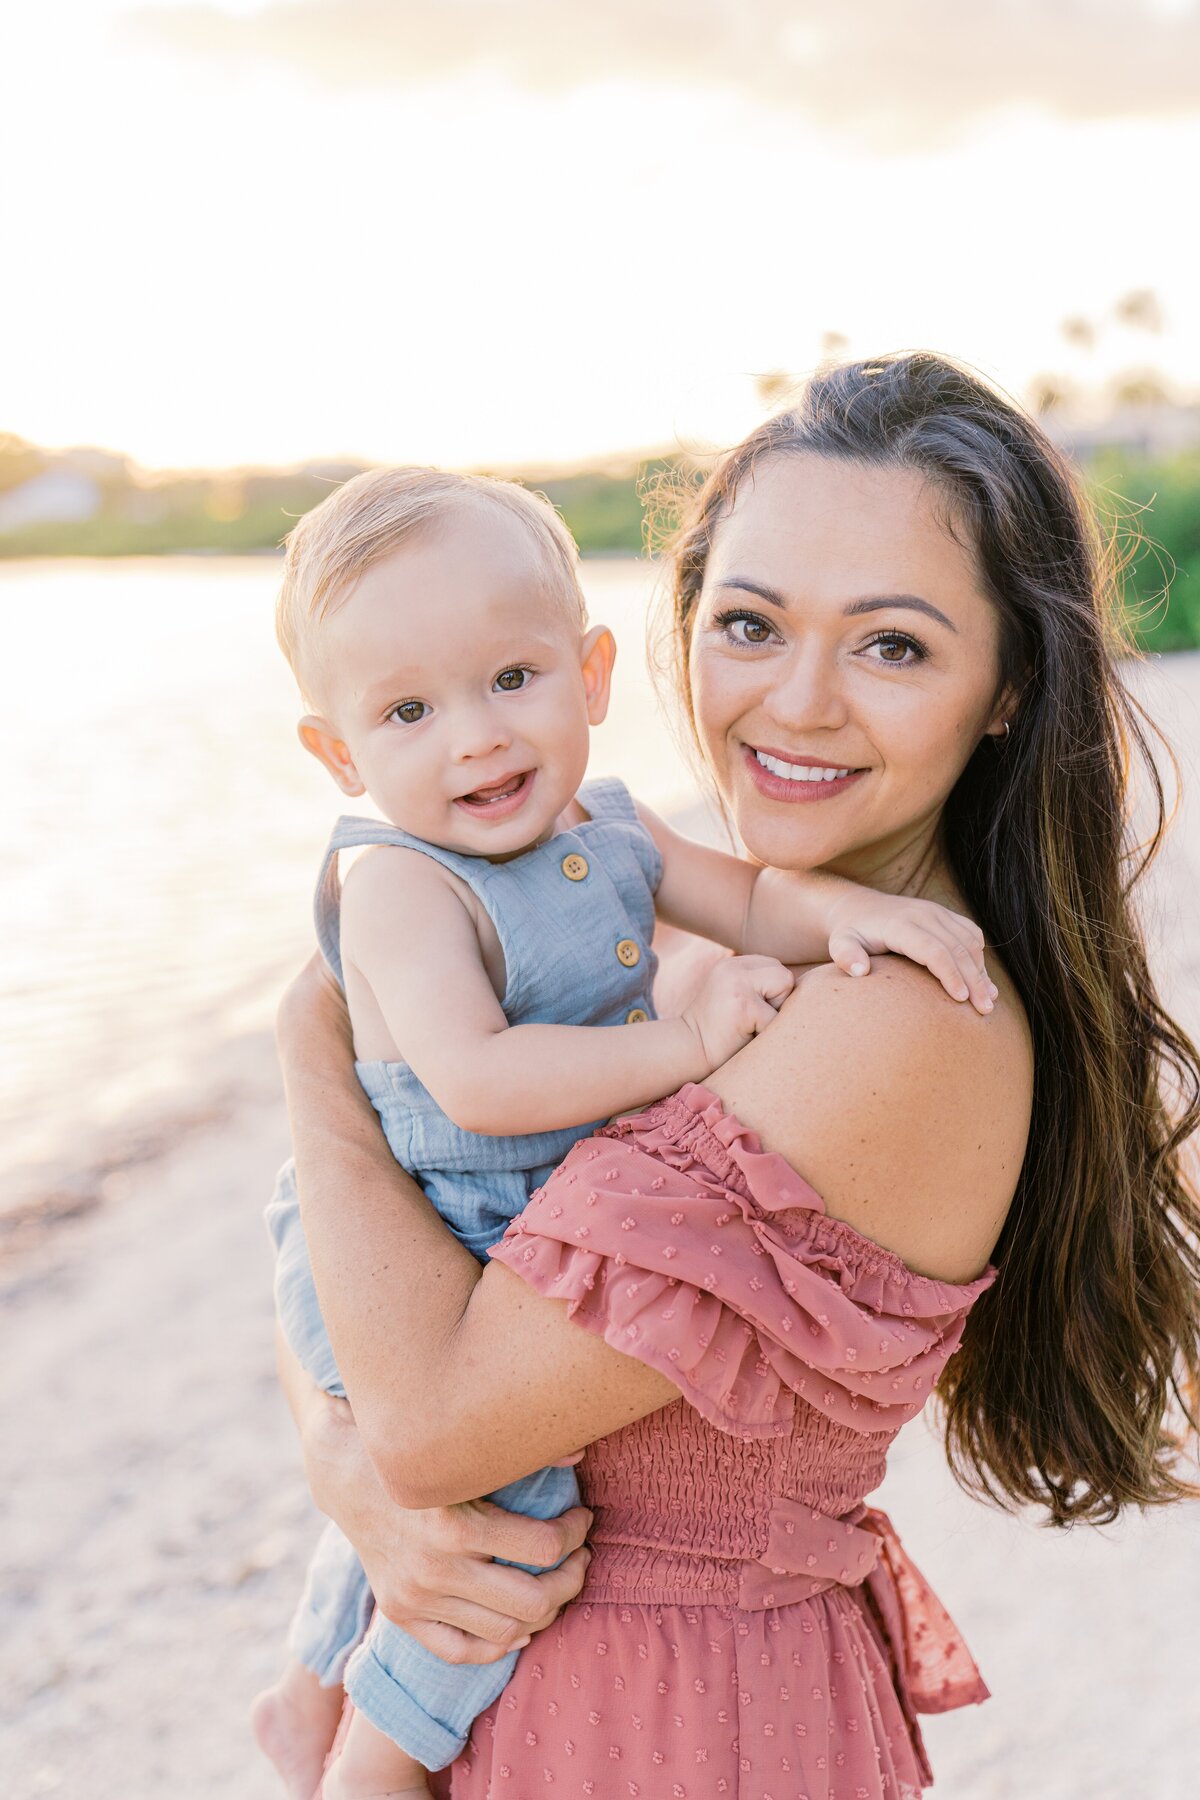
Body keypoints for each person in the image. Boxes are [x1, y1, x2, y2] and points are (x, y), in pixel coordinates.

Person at [273, 354, 1200, 1799]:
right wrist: (346, 1473)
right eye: (751, 624)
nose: (800, 703)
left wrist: (311, 1043)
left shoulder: (904, 1020)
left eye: (892, 646)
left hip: (677, 1732)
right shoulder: (714, 949)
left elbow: (433, 1417)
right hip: (568, 1698)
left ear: (1011, 684)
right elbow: (380, 1331)